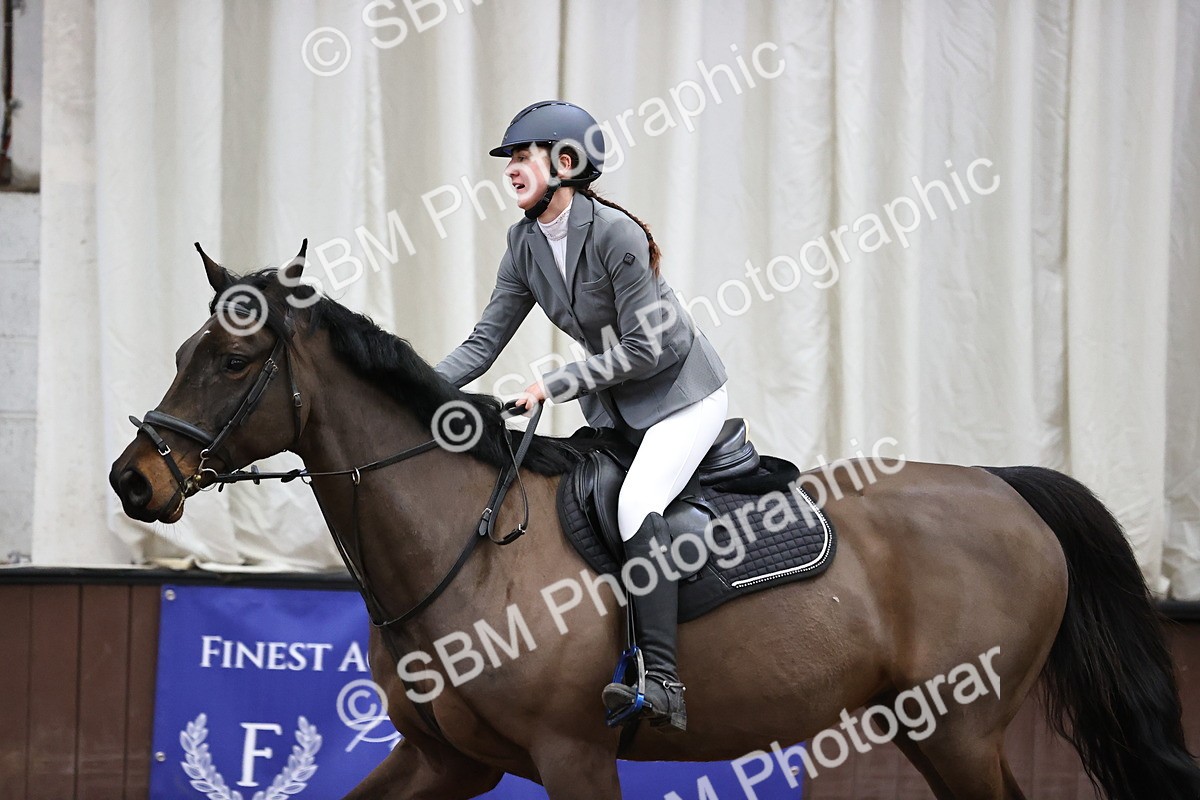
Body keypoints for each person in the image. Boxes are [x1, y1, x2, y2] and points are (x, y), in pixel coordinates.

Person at [434, 100, 728, 732]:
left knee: (635, 503)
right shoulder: (524, 244)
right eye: (509, 159)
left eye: (522, 156)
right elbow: (483, 345)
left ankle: (664, 681)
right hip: (619, 407)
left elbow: (649, 348)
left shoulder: (615, 235)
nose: (511, 170)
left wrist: (553, 384)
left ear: (565, 163)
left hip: (682, 398)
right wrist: (411, 391)